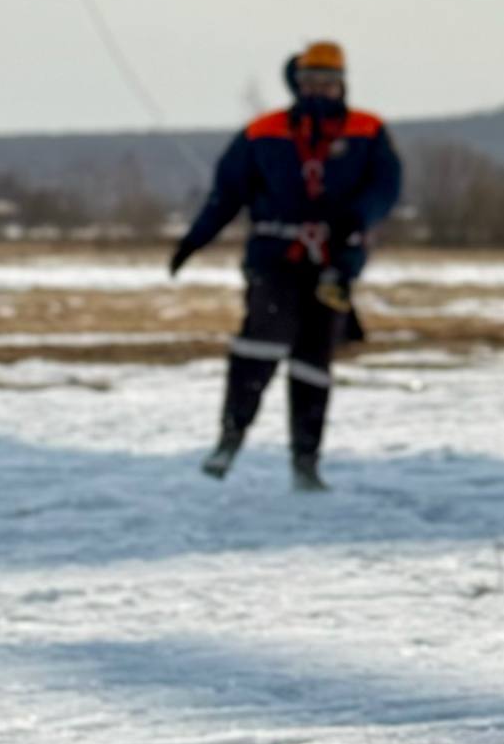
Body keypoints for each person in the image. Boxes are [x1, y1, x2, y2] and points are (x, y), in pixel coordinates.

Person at [169, 41, 402, 491]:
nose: (320, 89)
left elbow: (386, 188)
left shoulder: (367, 131)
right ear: (296, 82)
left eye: (328, 82)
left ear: (342, 83)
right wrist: (193, 241)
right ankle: (229, 442)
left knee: (314, 362)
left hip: (334, 263)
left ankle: (306, 464)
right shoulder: (263, 132)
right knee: (259, 346)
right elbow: (225, 195)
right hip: (274, 259)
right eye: (311, 81)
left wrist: (357, 219)